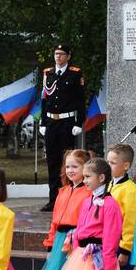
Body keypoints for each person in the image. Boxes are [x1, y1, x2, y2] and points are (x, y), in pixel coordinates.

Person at [43, 149, 92, 270]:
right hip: (61, 240)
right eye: (68, 166)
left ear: (86, 168)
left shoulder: (88, 192)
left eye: (75, 166)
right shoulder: (63, 191)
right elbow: (55, 221)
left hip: (78, 240)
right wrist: (50, 244)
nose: (70, 170)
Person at [40, 44, 86, 212]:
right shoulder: (48, 73)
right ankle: (53, 200)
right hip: (51, 122)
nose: (58, 57)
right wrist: (43, 122)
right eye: (56, 54)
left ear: (68, 56)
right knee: (52, 162)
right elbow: (44, 100)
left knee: (67, 162)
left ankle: (67, 199)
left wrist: (78, 123)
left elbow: (81, 100)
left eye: (61, 54)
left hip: (67, 122)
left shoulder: (75, 74)